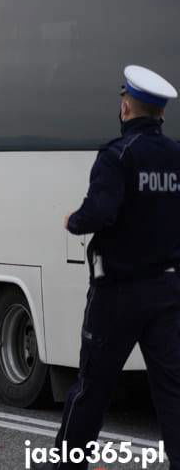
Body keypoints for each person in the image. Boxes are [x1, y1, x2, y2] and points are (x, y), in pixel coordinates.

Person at [42, 65, 180, 469]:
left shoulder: (117, 156)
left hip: (117, 294)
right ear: (161, 115)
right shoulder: (176, 157)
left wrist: (74, 220)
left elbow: (100, 212)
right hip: (168, 293)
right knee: (172, 390)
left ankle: (70, 463)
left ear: (125, 108)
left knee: (93, 386)